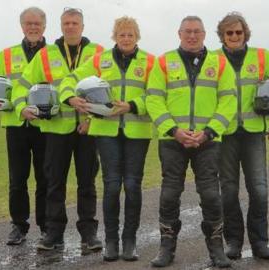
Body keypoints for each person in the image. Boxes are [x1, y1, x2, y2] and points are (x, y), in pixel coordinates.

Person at [59, 16, 154, 261]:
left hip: (137, 132)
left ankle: (130, 241)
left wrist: (132, 105)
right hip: (105, 132)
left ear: (137, 37)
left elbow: (157, 95)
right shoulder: (100, 60)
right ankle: (111, 241)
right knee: (111, 185)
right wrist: (71, 98)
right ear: (115, 37)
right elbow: (70, 79)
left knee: (132, 185)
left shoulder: (151, 62)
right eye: (121, 34)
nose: (126, 39)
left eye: (130, 35)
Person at [146, 16, 237, 268]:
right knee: (169, 195)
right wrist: (173, 130)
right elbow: (153, 99)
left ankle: (216, 249)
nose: (192, 36)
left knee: (210, 195)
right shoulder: (164, 62)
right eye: (188, 31)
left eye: (197, 32)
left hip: (207, 141)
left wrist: (209, 131)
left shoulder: (219, 63)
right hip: (172, 140)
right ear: (179, 33)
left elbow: (229, 101)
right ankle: (166, 248)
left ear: (204, 34)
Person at [12, 7, 104, 250]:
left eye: (75, 23)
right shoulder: (46, 54)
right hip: (55, 129)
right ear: (60, 26)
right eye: (66, 23)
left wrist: (93, 120)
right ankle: (54, 233)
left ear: (82, 27)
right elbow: (22, 84)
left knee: (87, 183)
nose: (70, 27)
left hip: (88, 129)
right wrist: (21, 106)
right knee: (54, 183)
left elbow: (111, 91)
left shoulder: (98, 53)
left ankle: (88, 234)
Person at [215, 12, 269, 260]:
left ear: (245, 33)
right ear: (222, 35)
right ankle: (233, 242)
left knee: (259, 190)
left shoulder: (262, 57)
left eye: (238, 32)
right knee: (228, 191)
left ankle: (260, 241)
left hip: (253, 133)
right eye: (229, 33)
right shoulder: (212, 59)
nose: (234, 36)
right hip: (225, 133)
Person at [0, 7, 48, 245]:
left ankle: (46, 227)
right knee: (17, 179)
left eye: (37, 23)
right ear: (21, 26)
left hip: (47, 125)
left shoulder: (53, 54)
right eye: (28, 23)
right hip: (15, 125)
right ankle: (19, 226)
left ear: (44, 26)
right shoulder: (6, 55)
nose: (32, 27)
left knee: (46, 178)